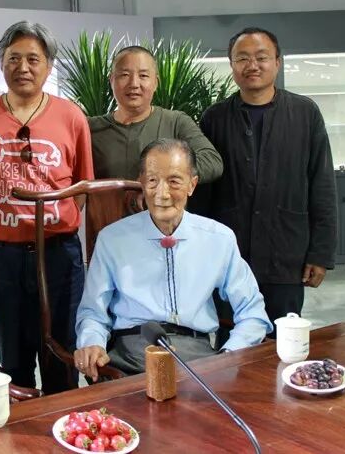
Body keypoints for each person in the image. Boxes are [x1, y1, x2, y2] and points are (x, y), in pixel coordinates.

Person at [0, 21, 94, 393]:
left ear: (49, 66)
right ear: (1, 64)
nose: (23, 67)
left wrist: (55, 221)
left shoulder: (71, 116)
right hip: (3, 256)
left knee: (62, 353)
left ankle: (63, 421)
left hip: (59, 254)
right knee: (12, 357)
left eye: (33, 59)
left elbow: (81, 187)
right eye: (13, 58)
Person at [74, 139, 271, 381]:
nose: (162, 193)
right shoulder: (112, 239)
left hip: (197, 357)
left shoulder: (219, 238)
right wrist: (92, 342)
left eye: (174, 181)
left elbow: (253, 312)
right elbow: (92, 312)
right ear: (142, 183)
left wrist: (228, 355)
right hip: (130, 358)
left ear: (192, 185)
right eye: (152, 181)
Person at [198, 27, 337, 334]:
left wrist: (320, 254)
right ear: (232, 65)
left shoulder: (305, 113)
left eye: (261, 57)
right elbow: (202, 194)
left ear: (277, 62)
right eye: (242, 58)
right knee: (231, 340)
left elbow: (322, 185)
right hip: (230, 256)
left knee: (283, 341)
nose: (252, 65)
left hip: (285, 253)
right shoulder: (214, 118)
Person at [89, 45, 222, 182]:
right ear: (111, 80)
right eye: (124, 75)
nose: (134, 84)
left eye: (143, 76)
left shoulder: (175, 122)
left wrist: (163, 175)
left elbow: (212, 161)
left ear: (155, 83)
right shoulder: (89, 128)